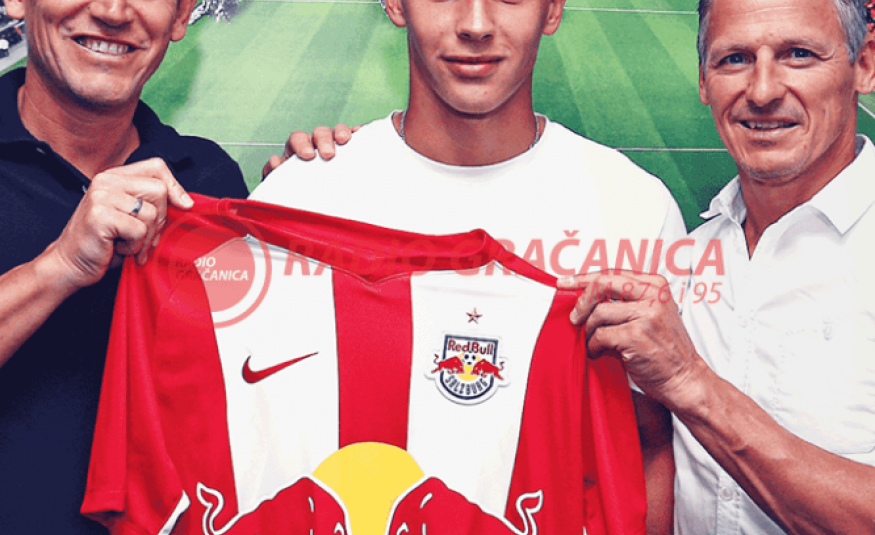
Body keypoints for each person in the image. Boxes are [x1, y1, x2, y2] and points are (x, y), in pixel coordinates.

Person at [254, 0, 685, 532]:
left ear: (552, 10)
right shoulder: (299, 198)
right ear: (395, 4)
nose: (476, 24)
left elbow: (648, 446)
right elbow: (255, 436)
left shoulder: (633, 207)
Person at [565, 0, 875, 533]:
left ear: (864, 64)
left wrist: (691, 383)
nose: (762, 90)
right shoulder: (685, 260)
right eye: (734, 59)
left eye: (798, 54)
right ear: (704, 81)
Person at [0, 0, 254, 532]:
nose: (114, 11)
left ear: (181, 16)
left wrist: (315, 195)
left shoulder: (209, 180)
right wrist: (59, 266)